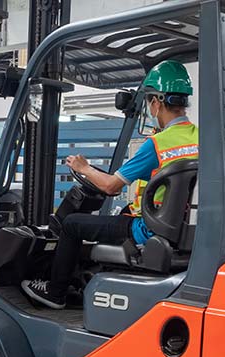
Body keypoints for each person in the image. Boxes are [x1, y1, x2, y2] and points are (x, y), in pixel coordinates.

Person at [21, 59, 199, 309]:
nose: (149, 108)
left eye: (149, 102)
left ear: (157, 102)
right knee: (114, 219)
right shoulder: (202, 138)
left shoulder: (157, 144)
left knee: (72, 225)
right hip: (184, 230)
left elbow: (110, 186)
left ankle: (55, 292)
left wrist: (84, 168)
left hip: (149, 230)